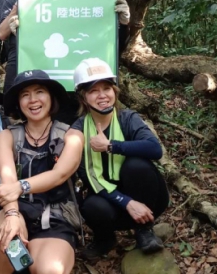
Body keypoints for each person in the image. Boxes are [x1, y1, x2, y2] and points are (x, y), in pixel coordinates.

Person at [0, 70, 83, 274]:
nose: (33, 100)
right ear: (18, 103)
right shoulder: (7, 136)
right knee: (6, 230)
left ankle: (23, 270)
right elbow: (7, 176)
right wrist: (13, 212)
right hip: (16, 209)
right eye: (25, 95)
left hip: (55, 215)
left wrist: (21, 185)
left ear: (51, 97)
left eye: (39, 92)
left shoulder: (71, 136)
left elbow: (59, 174)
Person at [70, 58, 169, 261]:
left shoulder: (127, 118)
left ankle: (144, 231)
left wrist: (111, 146)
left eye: (106, 88)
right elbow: (88, 179)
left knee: (136, 166)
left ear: (114, 91)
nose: (102, 95)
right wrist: (127, 202)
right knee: (91, 205)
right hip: (112, 203)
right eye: (93, 91)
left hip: (147, 201)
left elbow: (154, 149)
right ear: (83, 97)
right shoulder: (78, 129)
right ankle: (104, 239)